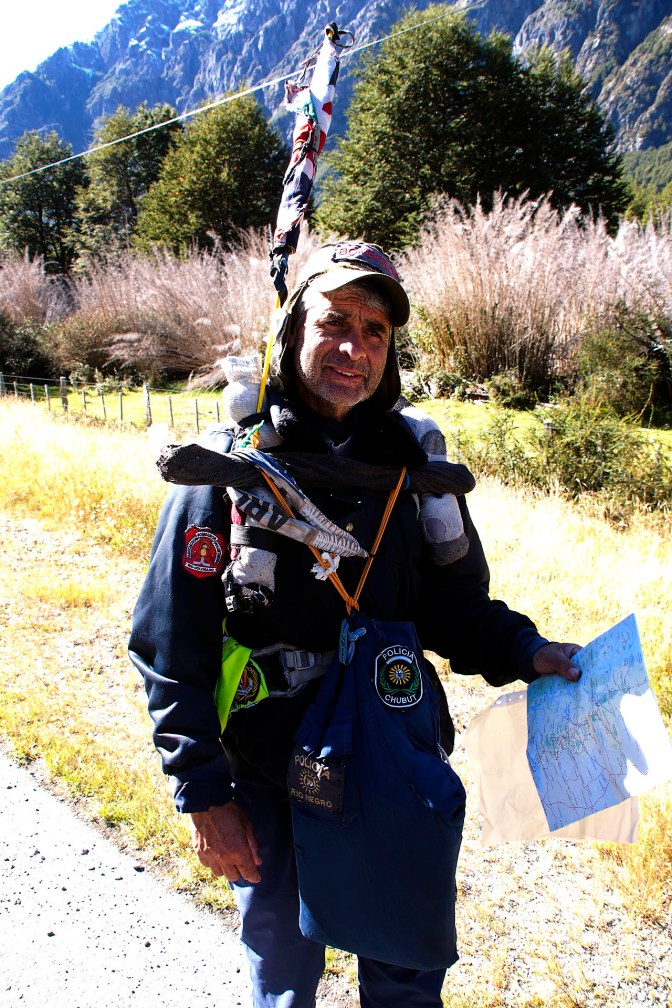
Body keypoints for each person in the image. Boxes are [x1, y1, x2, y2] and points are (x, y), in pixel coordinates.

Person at [129, 240, 581, 1008]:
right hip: (269, 765)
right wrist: (204, 794)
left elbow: (454, 608)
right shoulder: (231, 472)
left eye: (376, 332)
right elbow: (170, 646)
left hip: (396, 762)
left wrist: (527, 650)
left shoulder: (417, 475)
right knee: (284, 976)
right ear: (291, 332)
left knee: (408, 973)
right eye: (335, 322)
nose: (354, 348)